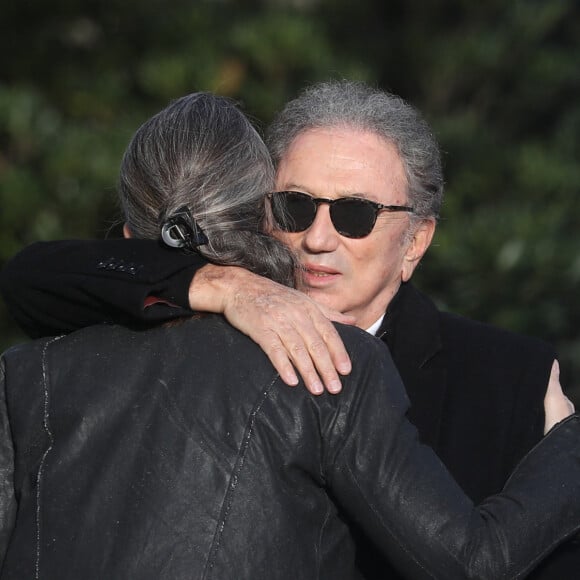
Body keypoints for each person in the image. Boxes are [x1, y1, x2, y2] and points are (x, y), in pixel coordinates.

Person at [0, 82, 576, 577]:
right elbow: (33, 273)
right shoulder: (197, 317)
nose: (319, 239)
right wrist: (215, 283)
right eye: (296, 207)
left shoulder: (509, 380)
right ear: (257, 212)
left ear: (416, 241)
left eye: (356, 214)